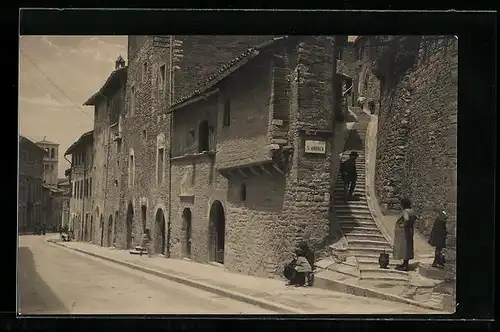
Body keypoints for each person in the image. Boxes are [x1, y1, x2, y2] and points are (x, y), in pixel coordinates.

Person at [393, 197, 417, 271]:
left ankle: (405, 266)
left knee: (403, 248)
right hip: (410, 231)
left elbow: (406, 219)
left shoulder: (405, 211)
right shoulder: (412, 211)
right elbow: (415, 218)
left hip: (404, 233)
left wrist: (403, 225)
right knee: (407, 248)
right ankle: (405, 263)